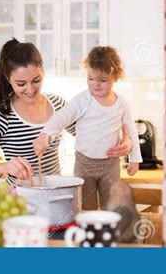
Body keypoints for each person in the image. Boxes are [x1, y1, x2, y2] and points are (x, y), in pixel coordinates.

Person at [0, 38, 132, 186]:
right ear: (7, 78)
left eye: (36, 80)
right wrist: (3, 167)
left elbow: (93, 138)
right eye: (21, 83)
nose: (30, 89)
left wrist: (127, 144)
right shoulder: (0, 114)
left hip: (57, 196)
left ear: (43, 72)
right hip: (22, 202)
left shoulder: (57, 104)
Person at [33, 46, 142, 210]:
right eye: (90, 79)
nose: (96, 85)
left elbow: (131, 131)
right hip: (84, 166)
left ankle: (108, 235)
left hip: (110, 166)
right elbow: (62, 116)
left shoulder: (122, 104)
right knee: (85, 209)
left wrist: (135, 158)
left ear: (116, 77)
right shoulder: (83, 100)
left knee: (111, 208)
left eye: (103, 80)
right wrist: (45, 134)